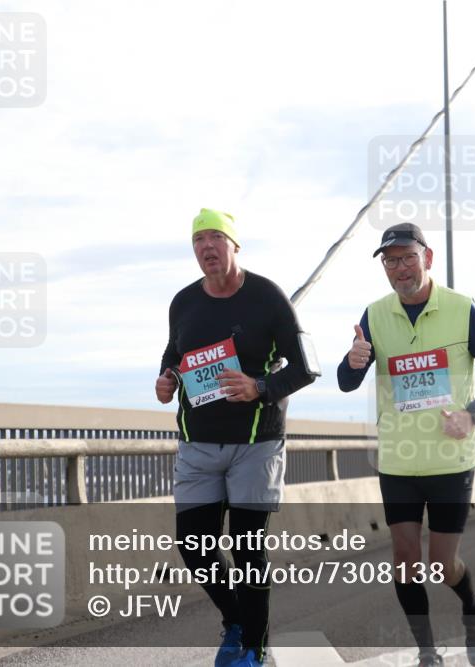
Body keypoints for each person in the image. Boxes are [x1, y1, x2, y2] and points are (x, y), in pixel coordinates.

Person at [337, 222, 475, 667]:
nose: (399, 268)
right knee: (405, 560)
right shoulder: (374, 316)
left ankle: (474, 607)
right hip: (398, 459)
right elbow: (345, 379)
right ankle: (427, 651)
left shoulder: (461, 308)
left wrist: (473, 415)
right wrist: (354, 362)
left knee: (442, 564)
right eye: (390, 261)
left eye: (407, 257)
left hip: (451, 459)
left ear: (427, 258)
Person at [155, 209, 317, 667]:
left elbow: (307, 367)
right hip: (197, 443)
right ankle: (237, 622)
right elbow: (174, 354)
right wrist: (165, 379)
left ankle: (255, 650)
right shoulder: (183, 301)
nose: (206, 248)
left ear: (234, 246)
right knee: (194, 546)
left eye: (215, 239)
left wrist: (259, 387)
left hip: (255, 442)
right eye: (198, 240)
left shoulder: (267, 297)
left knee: (247, 548)